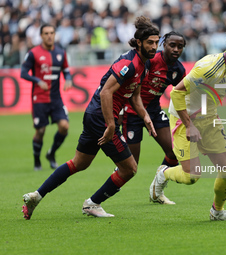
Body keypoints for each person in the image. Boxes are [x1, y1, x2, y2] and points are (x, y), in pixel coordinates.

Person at [21, 16, 160, 220]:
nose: (154, 47)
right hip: (102, 117)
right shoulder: (128, 63)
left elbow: (135, 95)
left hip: (95, 115)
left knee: (79, 163)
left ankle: (36, 195)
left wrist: (146, 117)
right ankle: (92, 203)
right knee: (129, 169)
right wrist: (111, 124)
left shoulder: (145, 65)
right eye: (150, 43)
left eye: (157, 42)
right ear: (139, 42)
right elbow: (106, 92)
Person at [149, 24, 226, 220]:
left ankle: (217, 212)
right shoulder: (208, 67)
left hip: (209, 119)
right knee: (192, 176)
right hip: (183, 117)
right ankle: (164, 174)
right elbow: (176, 92)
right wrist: (189, 125)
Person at [121, 31, 186, 205]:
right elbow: (128, 84)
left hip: (154, 112)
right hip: (133, 112)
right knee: (130, 166)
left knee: (173, 152)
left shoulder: (178, 70)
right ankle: (99, 197)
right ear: (163, 44)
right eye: (172, 45)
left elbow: (182, 93)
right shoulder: (150, 61)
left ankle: (157, 191)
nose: (176, 49)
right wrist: (120, 109)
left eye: (180, 47)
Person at [21, 24, 73, 171]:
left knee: (64, 127)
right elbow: (23, 73)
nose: (49, 36)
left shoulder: (61, 53)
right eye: (46, 33)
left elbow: (66, 70)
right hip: (40, 99)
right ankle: (37, 160)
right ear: (41, 36)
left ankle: (51, 153)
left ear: (55, 34)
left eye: (52, 33)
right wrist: (38, 81)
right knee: (41, 131)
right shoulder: (33, 53)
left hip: (56, 98)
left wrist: (68, 78)